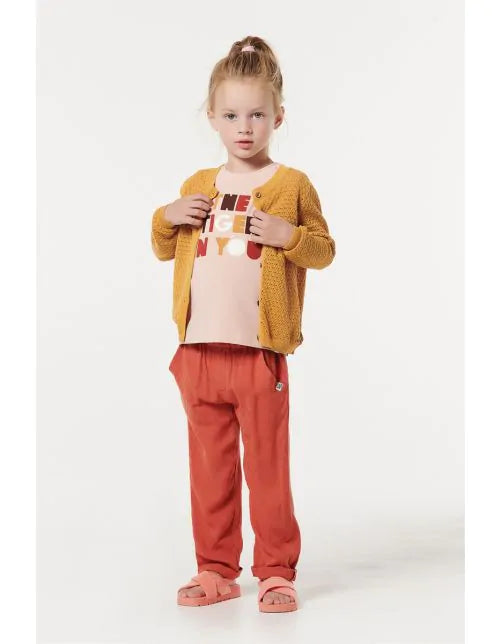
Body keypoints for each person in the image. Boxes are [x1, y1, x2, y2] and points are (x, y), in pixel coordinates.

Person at [151, 36, 336, 613]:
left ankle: (277, 571)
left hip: (259, 354)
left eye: (257, 114)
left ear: (278, 116)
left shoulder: (291, 185)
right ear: (212, 116)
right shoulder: (197, 185)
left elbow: (323, 250)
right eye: (231, 115)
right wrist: (166, 216)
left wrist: (289, 236)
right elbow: (164, 246)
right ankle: (215, 569)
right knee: (210, 471)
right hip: (198, 351)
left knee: (267, 470)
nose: (245, 127)